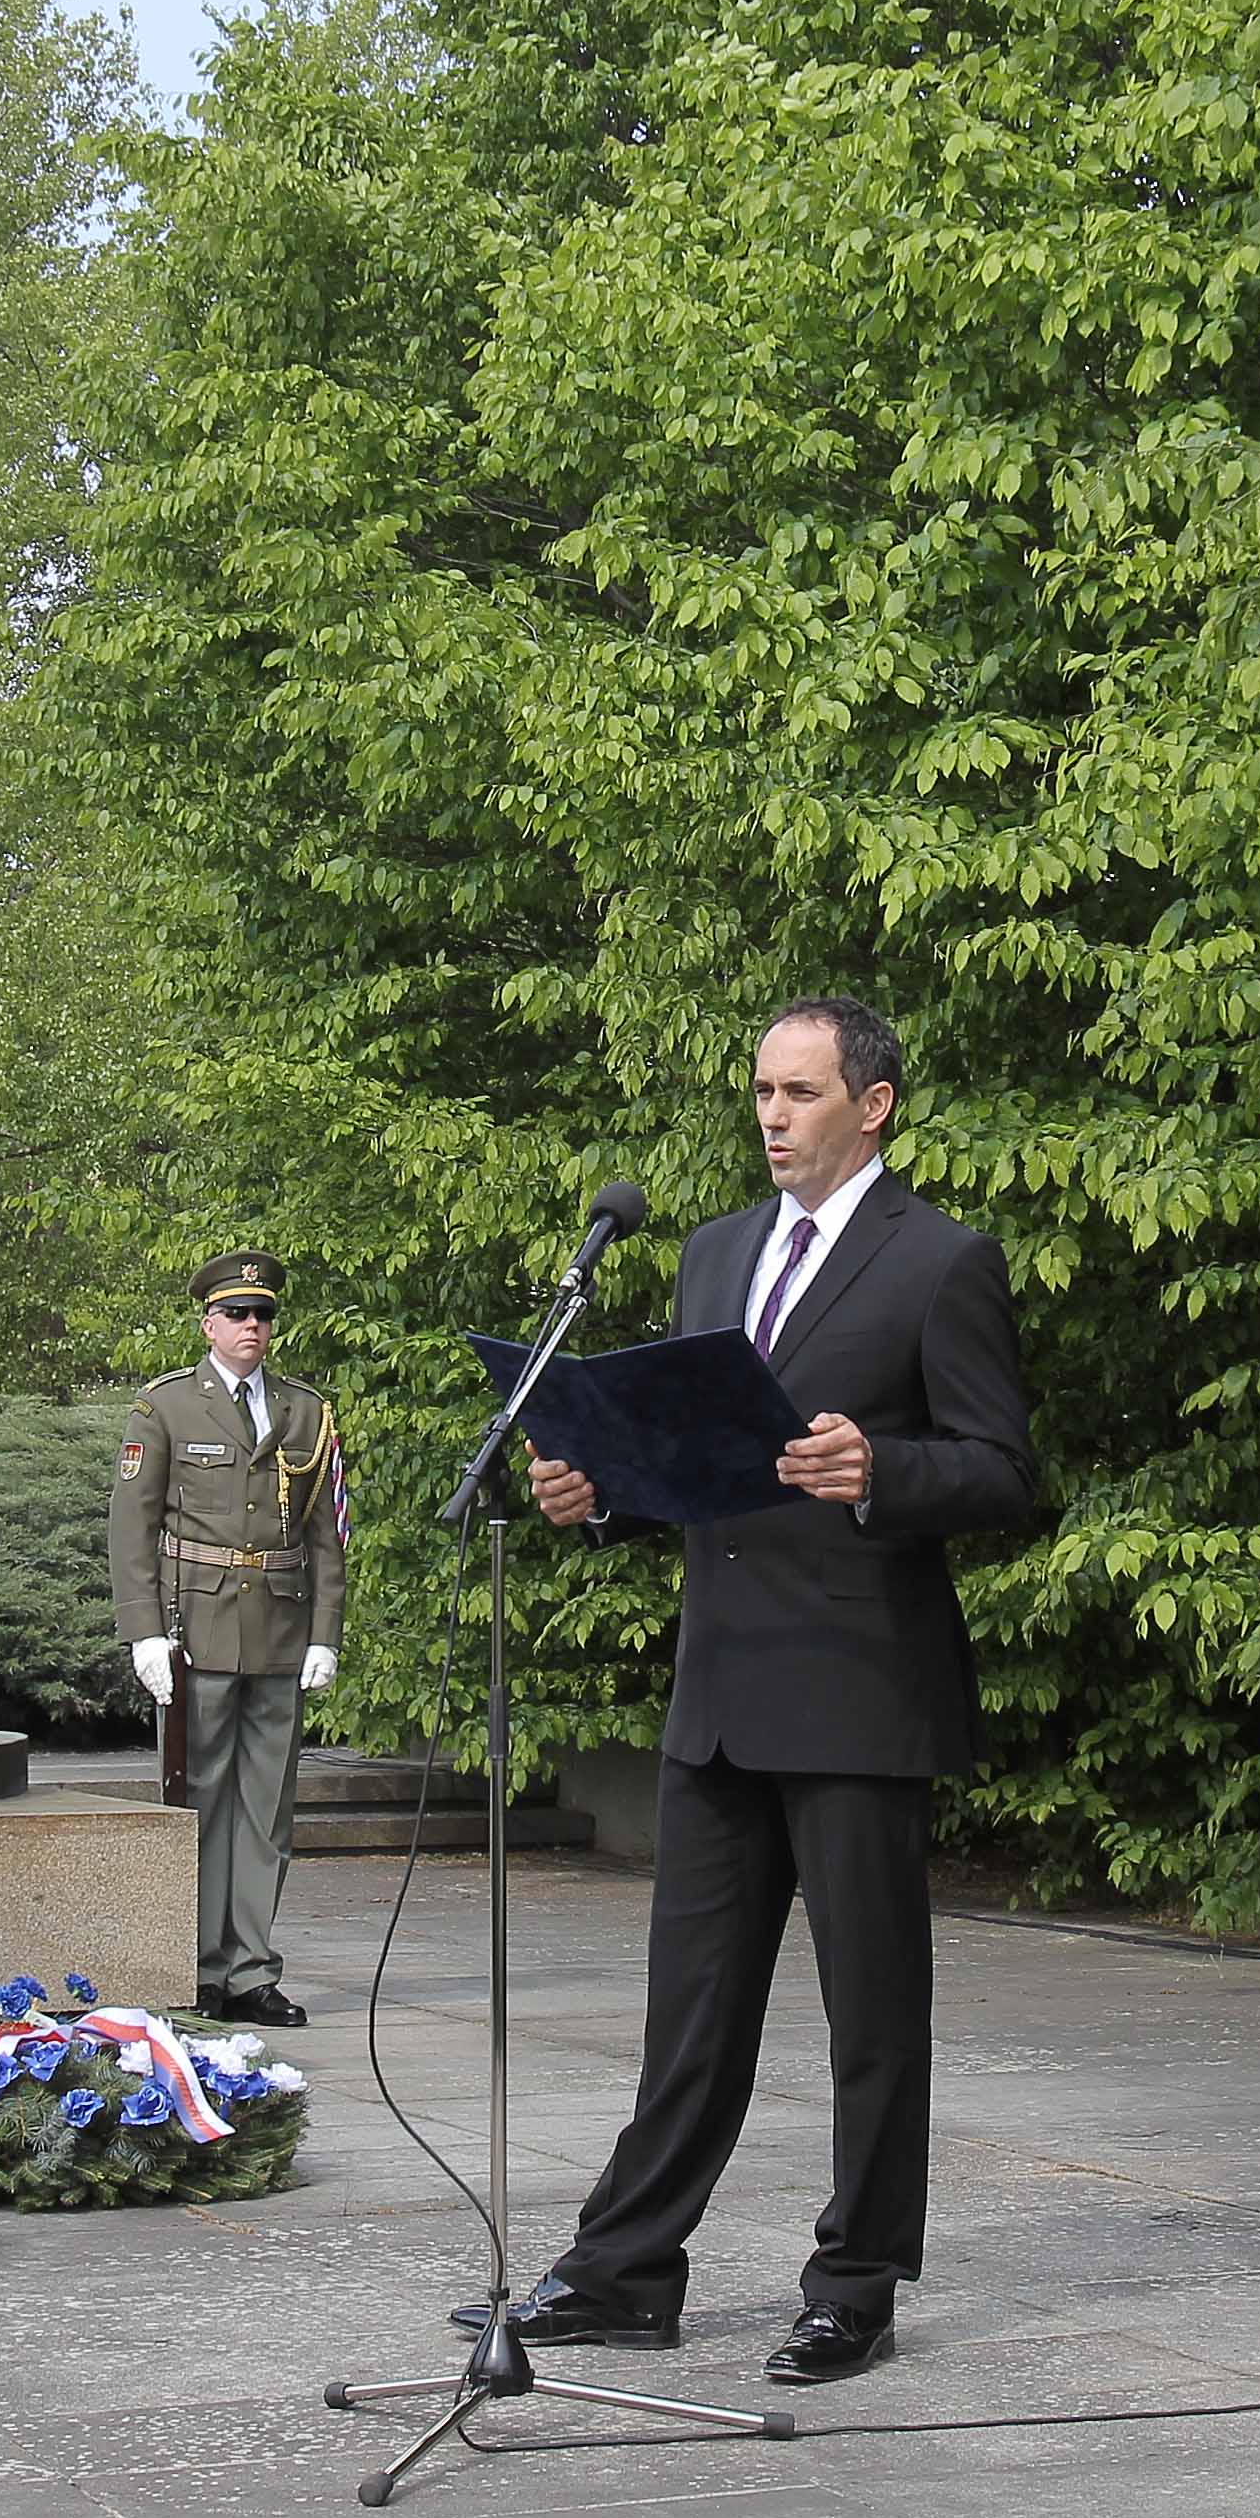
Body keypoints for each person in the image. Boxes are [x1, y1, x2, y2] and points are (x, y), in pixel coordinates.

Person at [496, 996, 1044, 2387]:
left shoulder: (942, 1262)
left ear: (875, 1105)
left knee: (871, 2016)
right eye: (761, 1092)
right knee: (690, 2008)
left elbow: (1004, 1470)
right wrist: (598, 1490)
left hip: (862, 1691)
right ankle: (626, 2271)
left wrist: (887, 1472)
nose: (774, 1115)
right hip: (724, 1689)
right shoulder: (713, 1253)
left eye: (801, 1092)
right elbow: (702, 1461)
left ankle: (854, 2283)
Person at [110, 1251, 347, 2029]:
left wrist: (326, 1634)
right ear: (207, 1322)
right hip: (196, 1627)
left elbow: (327, 1534)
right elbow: (132, 1530)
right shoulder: (167, 1408)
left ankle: (251, 1970)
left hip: (279, 1627)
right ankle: (199, 1966)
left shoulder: (306, 1410)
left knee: (266, 1810)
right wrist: (143, 1632)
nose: (253, 1327)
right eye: (238, 1314)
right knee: (201, 1800)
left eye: (264, 1315)